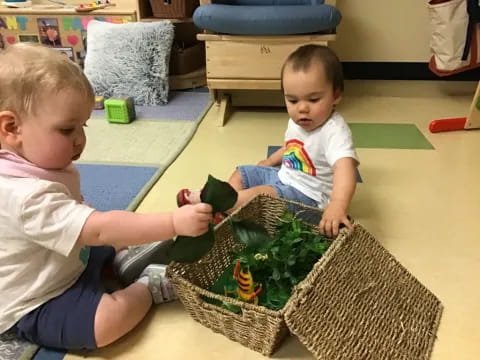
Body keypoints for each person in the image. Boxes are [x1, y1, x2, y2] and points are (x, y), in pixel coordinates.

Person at [0, 43, 213, 350]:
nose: (80, 140)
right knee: (107, 323)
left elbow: (83, 216)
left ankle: (121, 260)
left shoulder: (37, 163)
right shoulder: (22, 195)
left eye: (83, 126)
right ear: (12, 128)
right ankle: (149, 286)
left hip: (67, 258)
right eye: (66, 130)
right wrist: (172, 222)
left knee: (109, 238)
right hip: (37, 298)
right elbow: (97, 227)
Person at [178, 44, 359, 238]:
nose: (302, 109)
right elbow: (291, 147)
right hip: (283, 177)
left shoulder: (334, 131)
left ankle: (215, 203)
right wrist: (271, 161)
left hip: (309, 199)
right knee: (242, 173)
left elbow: (345, 168)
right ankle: (227, 210)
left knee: (260, 195)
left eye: (313, 100)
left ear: (336, 95)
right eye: (292, 100)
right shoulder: (298, 122)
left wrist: (337, 205)